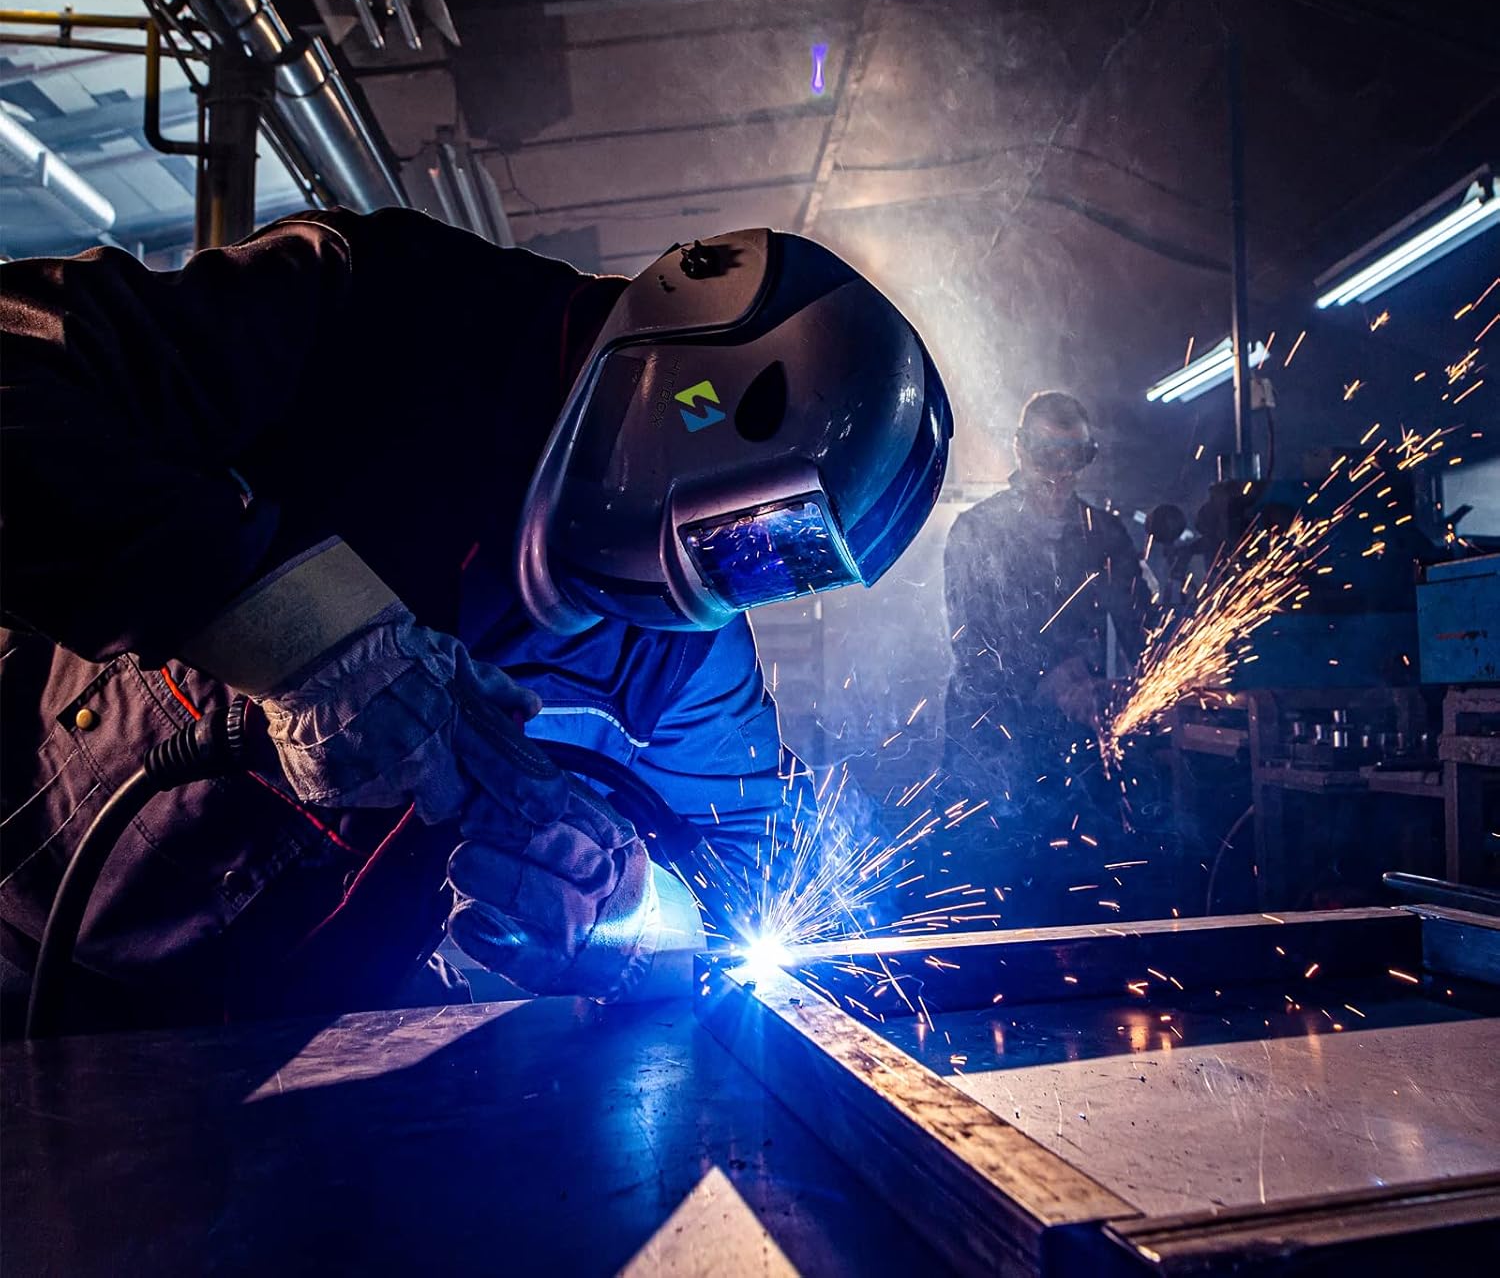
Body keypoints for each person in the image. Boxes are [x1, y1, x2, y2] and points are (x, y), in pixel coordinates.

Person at [0, 211, 951, 1034]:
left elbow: (745, 877)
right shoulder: (379, 314)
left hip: (278, 1049)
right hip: (19, 938)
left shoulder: (686, 657)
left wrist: (630, 918)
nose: (725, 582)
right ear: (692, 398)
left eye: (775, 571)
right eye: (746, 536)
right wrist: (280, 622)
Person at [940, 391, 1147, 920]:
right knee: (993, 885)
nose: (1057, 473)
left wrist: (1146, 681)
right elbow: (974, 643)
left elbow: (1140, 627)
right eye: (1044, 455)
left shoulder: (1105, 535)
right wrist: (1048, 679)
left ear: (1085, 458)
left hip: (1072, 739)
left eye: (1070, 457)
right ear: (1019, 449)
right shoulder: (976, 533)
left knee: (1084, 885)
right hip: (993, 736)